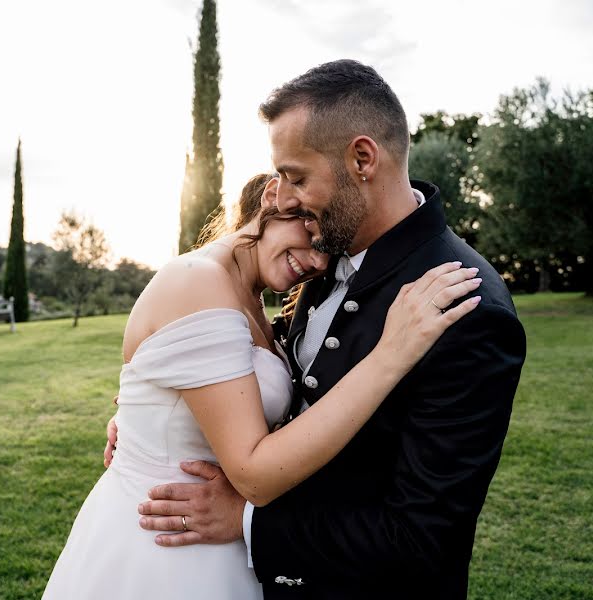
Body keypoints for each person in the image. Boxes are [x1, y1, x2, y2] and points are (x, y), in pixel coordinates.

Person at [134, 60, 527, 599]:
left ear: (362, 158)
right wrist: (166, 415)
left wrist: (248, 522)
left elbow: (422, 539)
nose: (282, 196)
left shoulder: (464, 307)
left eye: (297, 176)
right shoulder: (332, 248)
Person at [41, 171, 482, 598]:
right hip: (163, 543)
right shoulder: (199, 281)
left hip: (219, 539)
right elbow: (254, 475)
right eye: (311, 239)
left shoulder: (249, 295)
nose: (316, 264)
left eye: (327, 253)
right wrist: (391, 354)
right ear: (273, 196)